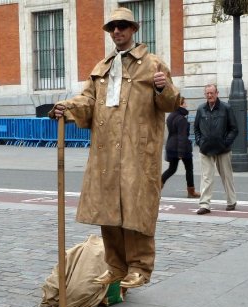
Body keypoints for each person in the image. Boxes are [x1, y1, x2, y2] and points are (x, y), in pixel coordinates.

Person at [51, 7, 179, 289]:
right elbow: (87, 100)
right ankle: (116, 266)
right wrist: (67, 108)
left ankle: (140, 267)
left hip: (137, 151)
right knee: (108, 210)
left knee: (137, 209)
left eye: (122, 26)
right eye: (112, 27)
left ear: (134, 28)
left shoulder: (153, 64)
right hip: (106, 152)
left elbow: (171, 104)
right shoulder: (102, 68)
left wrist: (162, 88)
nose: (117, 31)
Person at [193, 84, 238, 215]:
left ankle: (231, 201)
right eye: (207, 93)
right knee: (206, 177)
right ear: (204, 94)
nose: (209, 95)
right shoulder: (201, 109)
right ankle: (204, 204)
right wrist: (200, 142)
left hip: (223, 149)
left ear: (217, 93)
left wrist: (225, 143)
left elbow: (234, 128)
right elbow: (196, 128)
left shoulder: (226, 108)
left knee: (227, 176)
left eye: (212, 93)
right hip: (206, 148)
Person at [161, 96, 200, 198]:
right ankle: (191, 191)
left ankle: (157, 185)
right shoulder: (181, 119)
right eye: (184, 103)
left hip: (171, 146)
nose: (186, 105)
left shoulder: (171, 116)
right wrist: (181, 153)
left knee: (172, 169)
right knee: (189, 169)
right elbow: (182, 136)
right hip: (181, 148)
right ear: (180, 104)